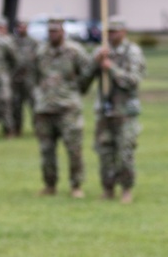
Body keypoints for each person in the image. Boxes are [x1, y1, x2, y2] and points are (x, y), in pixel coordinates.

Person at [84, 16, 146, 202]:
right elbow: (83, 82)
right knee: (104, 152)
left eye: (115, 31)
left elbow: (133, 81)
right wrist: (96, 63)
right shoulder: (101, 51)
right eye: (108, 31)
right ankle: (108, 188)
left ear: (124, 32)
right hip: (104, 111)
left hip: (125, 112)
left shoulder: (132, 52)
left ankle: (126, 189)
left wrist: (111, 68)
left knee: (125, 152)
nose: (111, 35)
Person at [33, 18, 93, 197]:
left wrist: (77, 91)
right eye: (50, 31)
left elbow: (87, 73)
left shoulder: (74, 51)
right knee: (46, 151)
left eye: (56, 31)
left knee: (74, 149)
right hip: (45, 108)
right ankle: (49, 185)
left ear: (63, 32)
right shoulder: (41, 52)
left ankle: (76, 185)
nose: (52, 34)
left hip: (68, 108)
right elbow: (36, 76)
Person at [11, 19, 40, 136]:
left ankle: (38, 129)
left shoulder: (34, 43)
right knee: (16, 105)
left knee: (33, 104)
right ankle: (17, 128)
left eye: (24, 27)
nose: (21, 29)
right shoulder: (12, 42)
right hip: (16, 79)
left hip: (30, 79)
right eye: (19, 27)